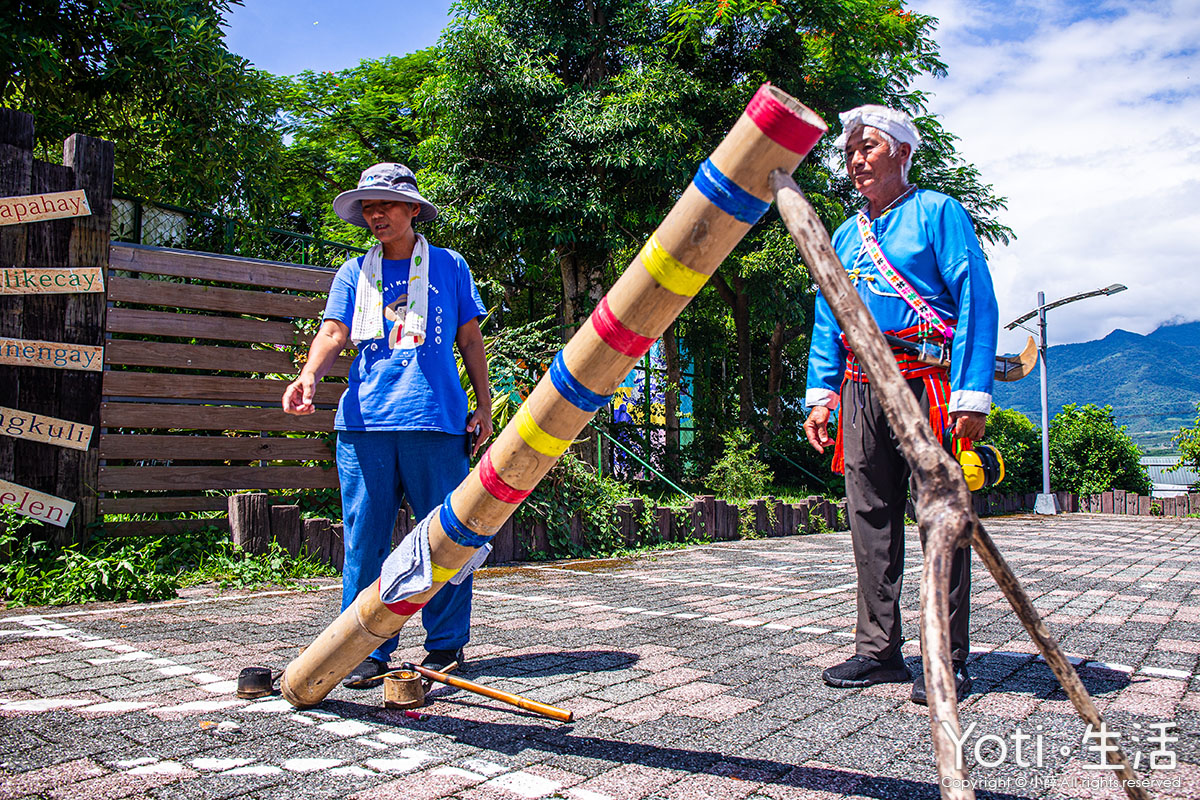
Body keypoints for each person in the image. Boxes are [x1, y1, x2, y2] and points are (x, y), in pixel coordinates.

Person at [802, 106, 998, 704]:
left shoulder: (938, 213)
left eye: (868, 147)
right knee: (869, 517)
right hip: (861, 385)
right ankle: (877, 651)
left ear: (903, 153)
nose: (855, 160)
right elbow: (828, 319)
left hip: (927, 383)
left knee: (940, 517)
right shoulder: (841, 235)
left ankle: (946, 656)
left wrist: (972, 391)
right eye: (850, 151)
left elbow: (975, 297)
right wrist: (822, 393)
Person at [283, 162, 493, 687]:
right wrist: (309, 375)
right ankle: (365, 652)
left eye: (386, 205)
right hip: (365, 426)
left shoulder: (449, 266)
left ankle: (445, 647)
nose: (375, 215)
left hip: (437, 423)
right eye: (368, 207)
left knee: (446, 541)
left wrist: (484, 405)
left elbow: (469, 339)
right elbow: (333, 331)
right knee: (366, 544)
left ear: (413, 210)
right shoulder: (354, 272)